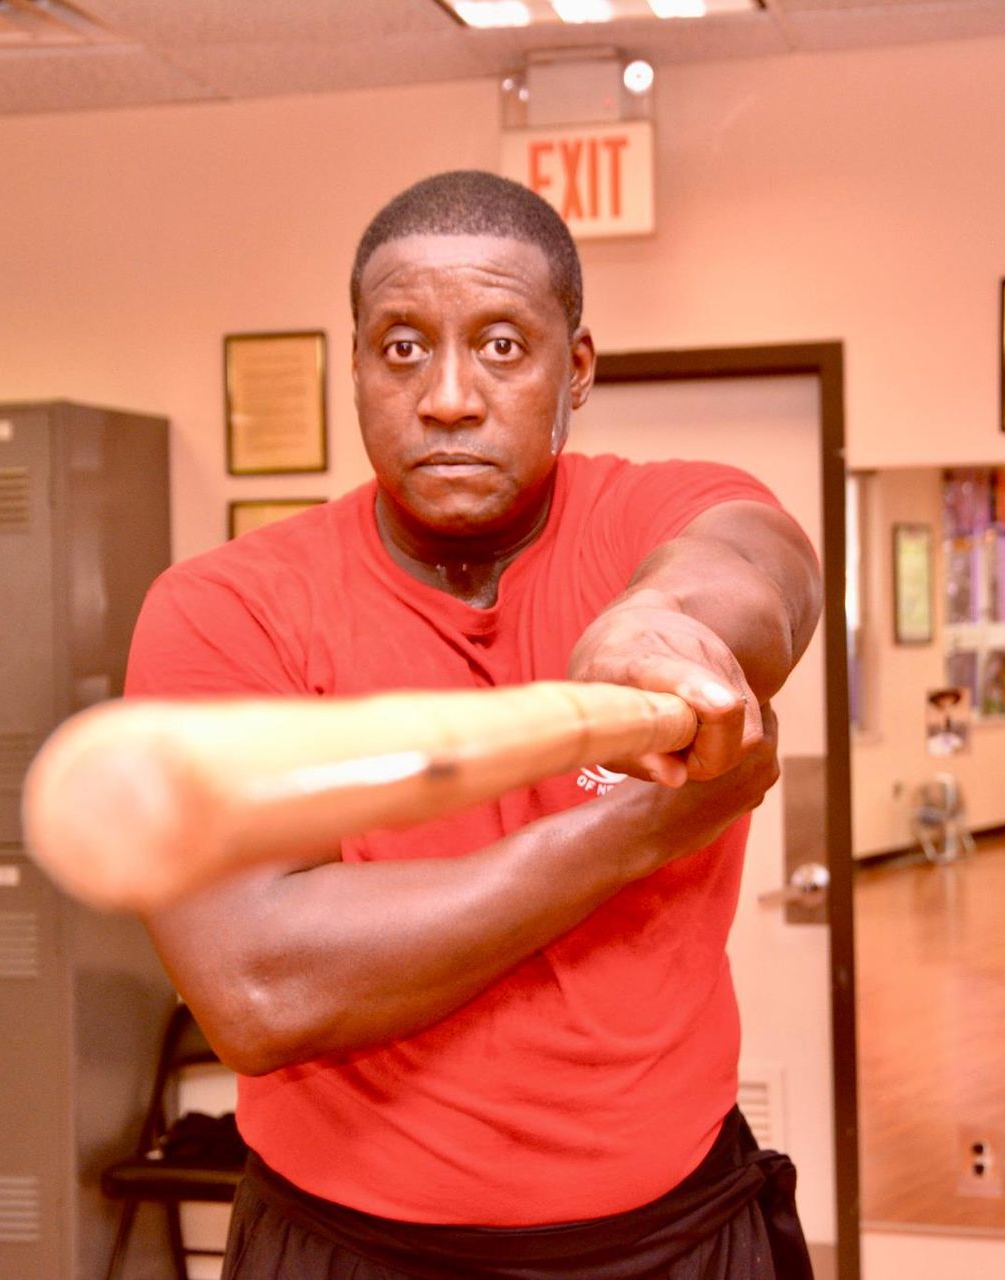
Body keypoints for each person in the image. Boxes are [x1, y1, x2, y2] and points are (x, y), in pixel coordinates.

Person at [125, 170, 822, 1278]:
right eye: (403, 346)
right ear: (355, 362)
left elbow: (762, 570)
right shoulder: (227, 606)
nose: (448, 396)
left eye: (502, 344)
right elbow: (260, 986)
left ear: (575, 368)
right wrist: (631, 831)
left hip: (671, 1241)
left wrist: (661, 623)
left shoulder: (655, 512)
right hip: (348, 1248)